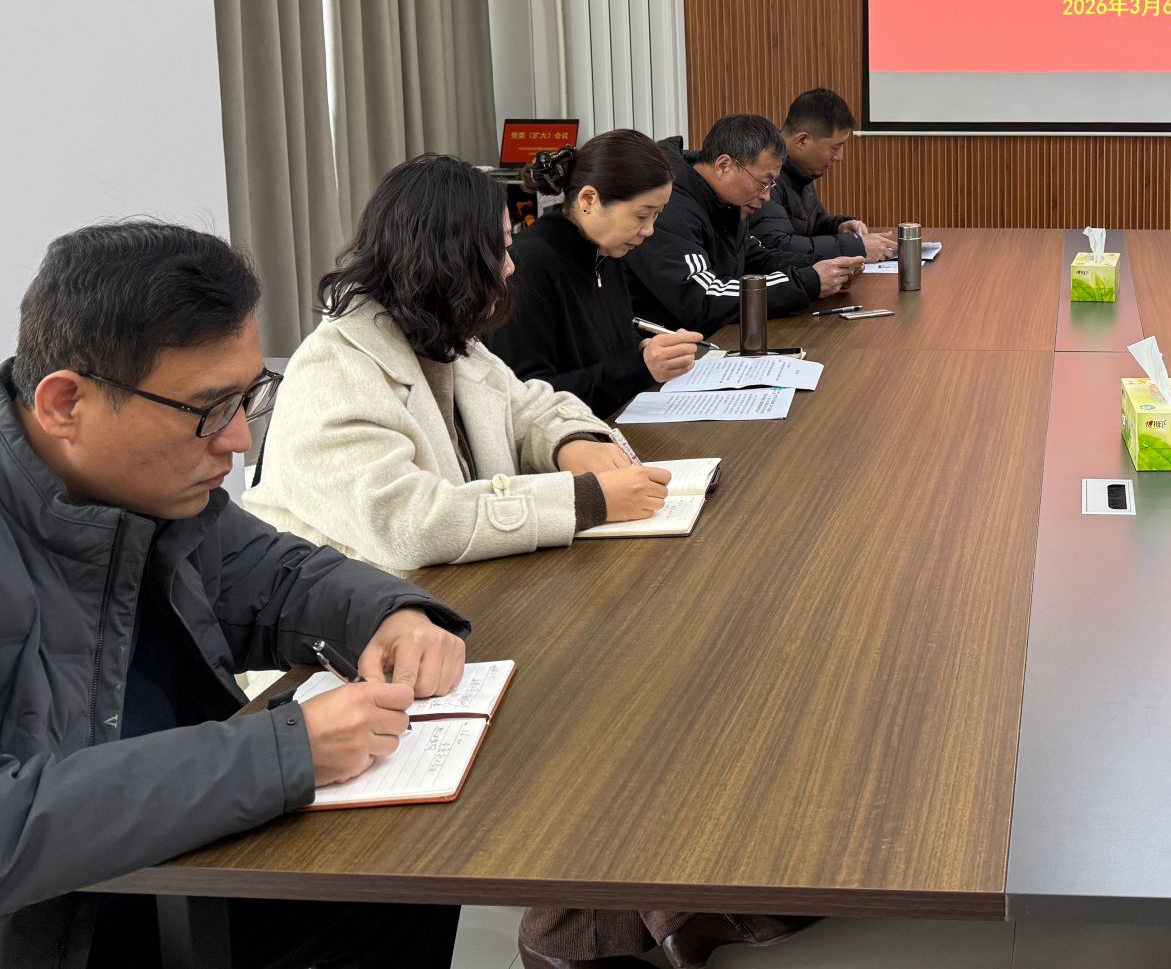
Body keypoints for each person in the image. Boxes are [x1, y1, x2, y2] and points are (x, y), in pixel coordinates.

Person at [0, 221, 471, 969]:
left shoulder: (156, 491)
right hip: (67, 926)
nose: (239, 441)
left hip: (194, 866)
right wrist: (281, 753)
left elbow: (278, 573)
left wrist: (392, 614)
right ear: (64, 404)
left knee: (416, 877)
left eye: (248, 398)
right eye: (208, 409)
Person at [248, 156, 671, 572]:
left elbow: (527, 408)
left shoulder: (445, 338)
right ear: (449, 258)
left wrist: (570, 442)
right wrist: (585, 500)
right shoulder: (334, 371)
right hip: (355, 608)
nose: (510, 268)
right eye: (500, 250)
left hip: (445, 589)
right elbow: (409, 524)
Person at [486, 131, 702, 418]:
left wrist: (647, 350)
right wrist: (640, 367)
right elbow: (526, 398)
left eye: (657, 215)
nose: (649, 230)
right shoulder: (528, 264)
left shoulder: (606, 251)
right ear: (589, 199)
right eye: (642, 215)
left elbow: (606, 357)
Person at [629, 114, 862, 335]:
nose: (766, 196)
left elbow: (753, 259)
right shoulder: (670, 207)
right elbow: (702, 299)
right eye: (763, 183)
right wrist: (808, 282)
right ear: (723, 166)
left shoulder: (725, 202)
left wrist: (826, 269)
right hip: (666, 350)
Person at [750, 88, 896, 265]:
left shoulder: (801, 171)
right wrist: (855, 247)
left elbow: (813, 227)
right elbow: (775, 246)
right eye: (835, 147)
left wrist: (840, 226)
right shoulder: (765, 177)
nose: (839, 156)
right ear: (802, 140)